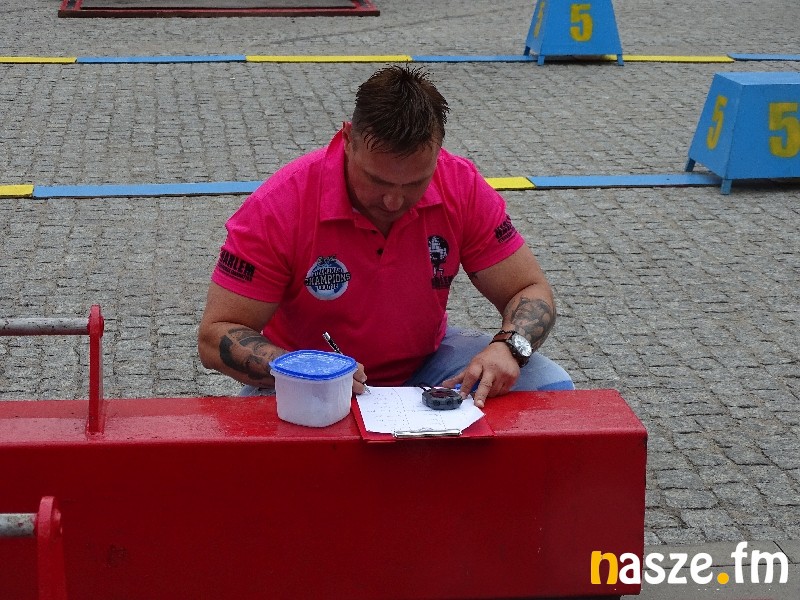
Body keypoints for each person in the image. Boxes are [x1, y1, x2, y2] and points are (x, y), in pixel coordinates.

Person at [198, 65, 573, 408]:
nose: (393, 201)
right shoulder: (279, 206)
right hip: (308, 375)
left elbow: (528, 287)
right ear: (348, 139)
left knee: (551, 388)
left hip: (428, 361)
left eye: (415, 183)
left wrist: (510, 348)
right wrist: (305, 369)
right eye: (376, 180)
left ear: (438, 153)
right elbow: (215, 336)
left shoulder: (461, 185)